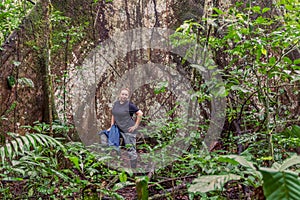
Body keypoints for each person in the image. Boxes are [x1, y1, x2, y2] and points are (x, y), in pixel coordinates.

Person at [109, 88, 143, 168]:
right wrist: (112, 126)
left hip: (128, 130)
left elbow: (140, 114)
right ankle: (117, 165)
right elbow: (113, 114)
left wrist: (135, 126)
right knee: (108, 140)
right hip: (118, 129)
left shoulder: (129, 105)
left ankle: (134, 169)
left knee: (131, 150)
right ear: (119, 95)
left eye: (126, 95)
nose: (124, 96)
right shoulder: (116, 104)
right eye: (122, 94)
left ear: (128, 96)